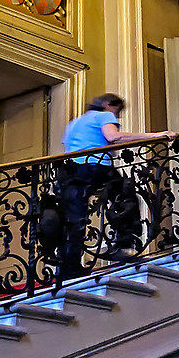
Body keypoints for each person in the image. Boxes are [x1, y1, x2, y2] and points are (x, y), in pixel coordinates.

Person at [55, 93, 156, 278]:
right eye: (118, 112)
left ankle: (69, 267)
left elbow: (69, 145)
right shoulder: (104, 115)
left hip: (69, 171)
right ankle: (124, 246)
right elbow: (113, 136)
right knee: (126, 195)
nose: (117, 117)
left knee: (75, 217)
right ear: (108, 104)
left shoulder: (75, 122)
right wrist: (155, 135)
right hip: (95, 167)